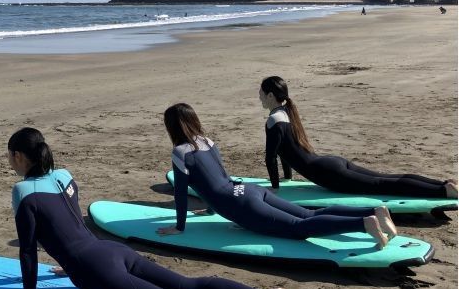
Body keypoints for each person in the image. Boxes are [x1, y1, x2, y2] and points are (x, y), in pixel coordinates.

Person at [0, 127, 317, 289]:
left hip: (94, 270)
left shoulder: (22, 191)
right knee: (188, 286)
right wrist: (70, 263)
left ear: (19, 157)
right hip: (111, 251)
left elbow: (28, 250)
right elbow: (69, 222)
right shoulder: (64, 175)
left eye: (10, 158)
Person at [159, 104, 394, 249]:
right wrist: (210, 210)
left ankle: (363, 224)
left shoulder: (180, 152)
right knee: (310, 214)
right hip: (247, 189)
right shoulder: (207, 142)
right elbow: (217, 176)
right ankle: (374, 213)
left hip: (238, 203)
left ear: (172, 128)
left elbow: (182, 192)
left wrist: (179, 227)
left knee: (298, 228)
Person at [259, 76, 457, 199]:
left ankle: (442, 191)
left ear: (270, 96)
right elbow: (285, 151)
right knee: (385, 178)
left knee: (382, 185)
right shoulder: (286, 113)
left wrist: (275, 188)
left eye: (261, 93)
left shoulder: (273, 120)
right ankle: (443, 183)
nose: (259, 96)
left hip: (328, 174)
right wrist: (287, 178)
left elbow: (271, 157)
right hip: (330, 162)